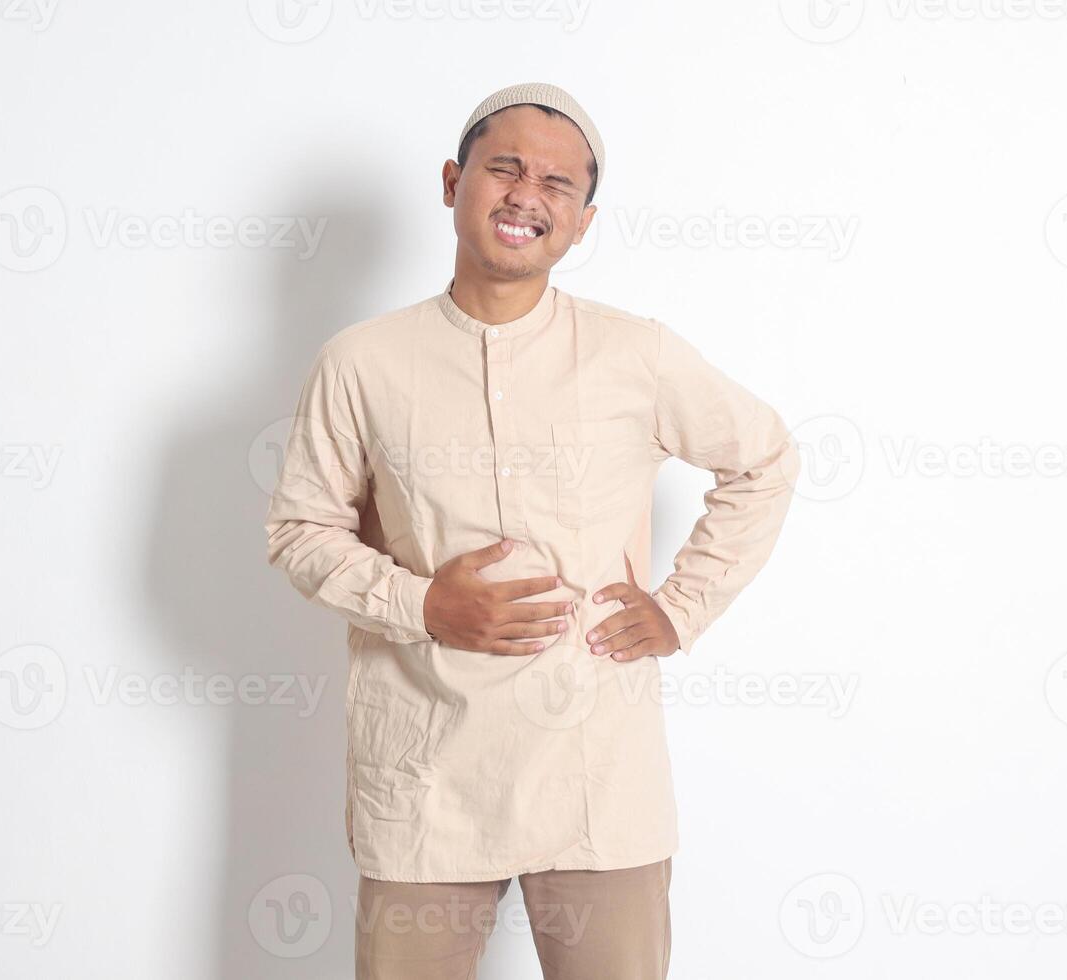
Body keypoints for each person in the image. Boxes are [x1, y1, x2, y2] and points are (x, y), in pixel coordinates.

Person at [264, 81, 800, 980]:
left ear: (583, 222)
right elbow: (300, 529)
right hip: (425, 781)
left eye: (558, 185)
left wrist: (681, 608)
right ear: (451, 181)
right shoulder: (362, 362)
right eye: (503, 168)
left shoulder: (639, 355)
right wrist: (424, 602)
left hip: (597, 782)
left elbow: (766, 459)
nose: (526, 195)